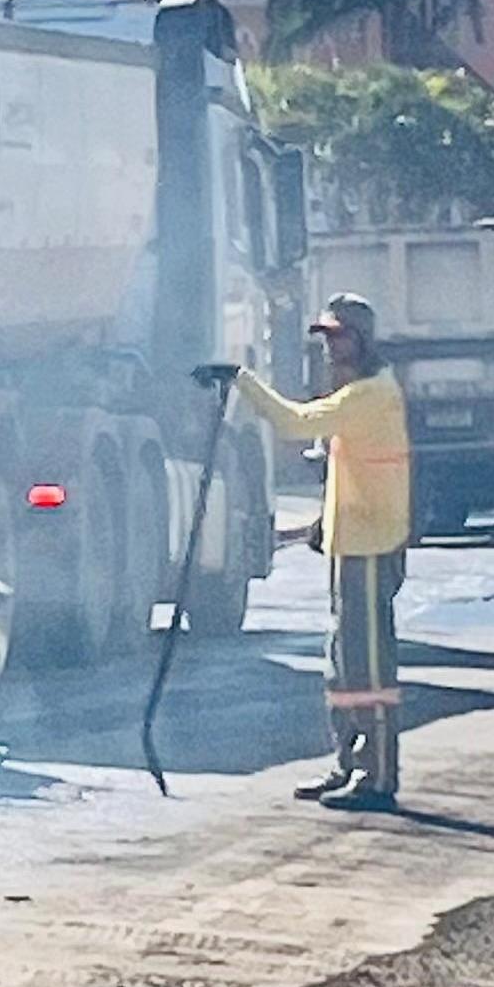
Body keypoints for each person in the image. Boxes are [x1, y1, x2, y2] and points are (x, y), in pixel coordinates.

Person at [202, 292, 412, 810]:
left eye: (338, 337)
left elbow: (295, 424)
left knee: (367, 668)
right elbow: (358, 471)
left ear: (360, 340)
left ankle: (378, 774)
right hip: (351, 542)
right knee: (342, 666)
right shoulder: (359, 393)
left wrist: (242, 381)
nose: (329, 347)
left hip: (370, 547)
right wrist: (324, 523)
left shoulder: (370, 395)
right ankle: (348, 763)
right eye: (326, 338)